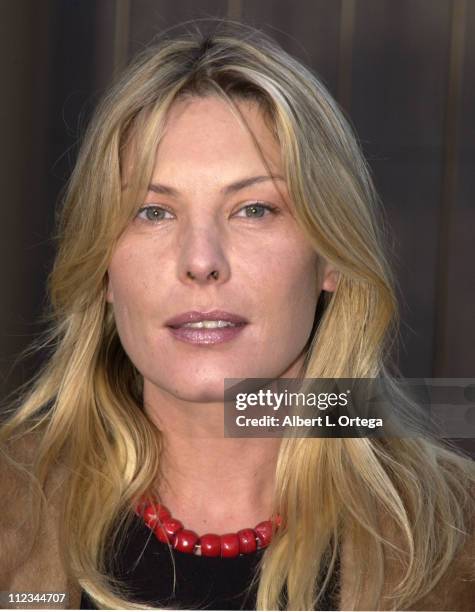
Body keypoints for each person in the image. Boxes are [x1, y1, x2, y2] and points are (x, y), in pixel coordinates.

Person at [1, 19, 474, 611]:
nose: (201, 262)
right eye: (152, 212)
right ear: (102, 269)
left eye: (253, 208)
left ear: (330, 255)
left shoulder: (457, 541)